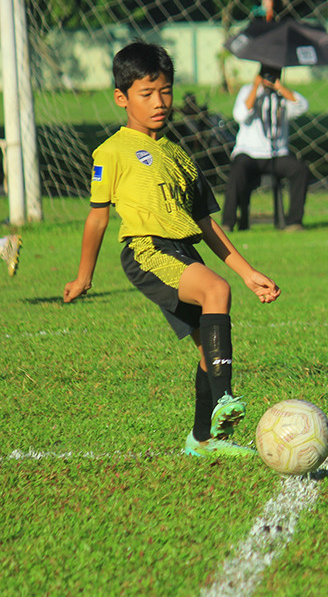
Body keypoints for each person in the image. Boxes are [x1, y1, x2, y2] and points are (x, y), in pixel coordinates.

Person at [63, 41, 281, 458]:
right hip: (147, 251)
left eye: (165, 91)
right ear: (121, 98)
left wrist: (248, 272)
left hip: (183, 250)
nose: (159, 102)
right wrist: (84, 275)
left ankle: (204, 440)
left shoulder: (180, 155)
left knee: (206, 349)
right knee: (216, 292)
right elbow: (97, 217)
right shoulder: (110, 152)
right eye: (146, 94)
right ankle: (226, 402)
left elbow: (205, 223)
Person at [221, 64, 310, 232]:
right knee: (237, 170)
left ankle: (294, 222)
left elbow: (302, 106)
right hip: (249, 153)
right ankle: (228, 222)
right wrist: (256, 88)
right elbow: (240, 115)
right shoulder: (248, 90)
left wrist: (280, 89)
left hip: (277, 153)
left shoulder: (282, 95)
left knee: (300, 170)